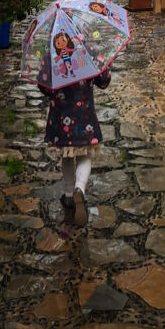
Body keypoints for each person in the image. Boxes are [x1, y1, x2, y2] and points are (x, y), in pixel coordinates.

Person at [39, 67, 111, 228]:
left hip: (61, 118)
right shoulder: (87, 54)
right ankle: (80, 187)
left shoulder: (52, 57)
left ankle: (69, 193)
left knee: (67, 156)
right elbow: (103, 81)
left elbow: (43, 86)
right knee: (84, 155)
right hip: (83, 117)